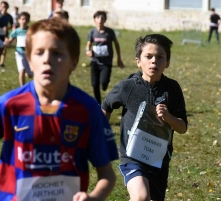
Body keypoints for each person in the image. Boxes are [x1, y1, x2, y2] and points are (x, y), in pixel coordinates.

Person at [0, 18, 119, 201]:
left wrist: (94, 198)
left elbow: (107, 174)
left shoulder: (87, 110)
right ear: (29, 60)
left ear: (73, 61)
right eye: (39, 53)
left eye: (57, 53)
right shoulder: (9, 105)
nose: (47, 59)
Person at [101, 34, 188, 201]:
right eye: (148, 56)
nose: (154, 61)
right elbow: (106, 106)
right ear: (138, 61)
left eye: (160, 57)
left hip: (158, 159)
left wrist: (168, 117)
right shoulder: (127, 87)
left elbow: (182, 128)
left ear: (167, 62)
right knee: (141, 197)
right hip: (131, 156)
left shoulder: (172, 89)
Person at [86, 10, 124, 104]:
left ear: (105, 20)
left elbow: (116, 44)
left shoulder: (109, 32)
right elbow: (88, 45)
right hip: (94, 61)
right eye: (98, 18)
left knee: (103, 83)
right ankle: (98, 103)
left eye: (102, 18)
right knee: (94, 84)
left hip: (106, 63)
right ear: (94, 20)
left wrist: (119, 58)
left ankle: (105, 83)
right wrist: (88, 51)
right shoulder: (92, 32)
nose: (100, 20)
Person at [6, 12, 32, 86]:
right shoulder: (16, 31)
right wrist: (7, 42)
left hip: (28, 54)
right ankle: (22, 88)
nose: (24, 21)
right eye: (23, 19)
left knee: (30, 75)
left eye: (26, 19)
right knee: (22, 70)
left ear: (28, 21)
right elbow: (10, 41)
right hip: (19, 53)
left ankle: (28, 72)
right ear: (19, 20)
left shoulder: (30, 31)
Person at [0, 1, 13, 67]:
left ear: (7, 7)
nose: (4, 8)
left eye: (5, 6)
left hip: (4, 34)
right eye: (2, 6)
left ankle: (2, 63)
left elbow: (12, 26)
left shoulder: (9, 16)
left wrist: (7, 28)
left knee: (4, 47)